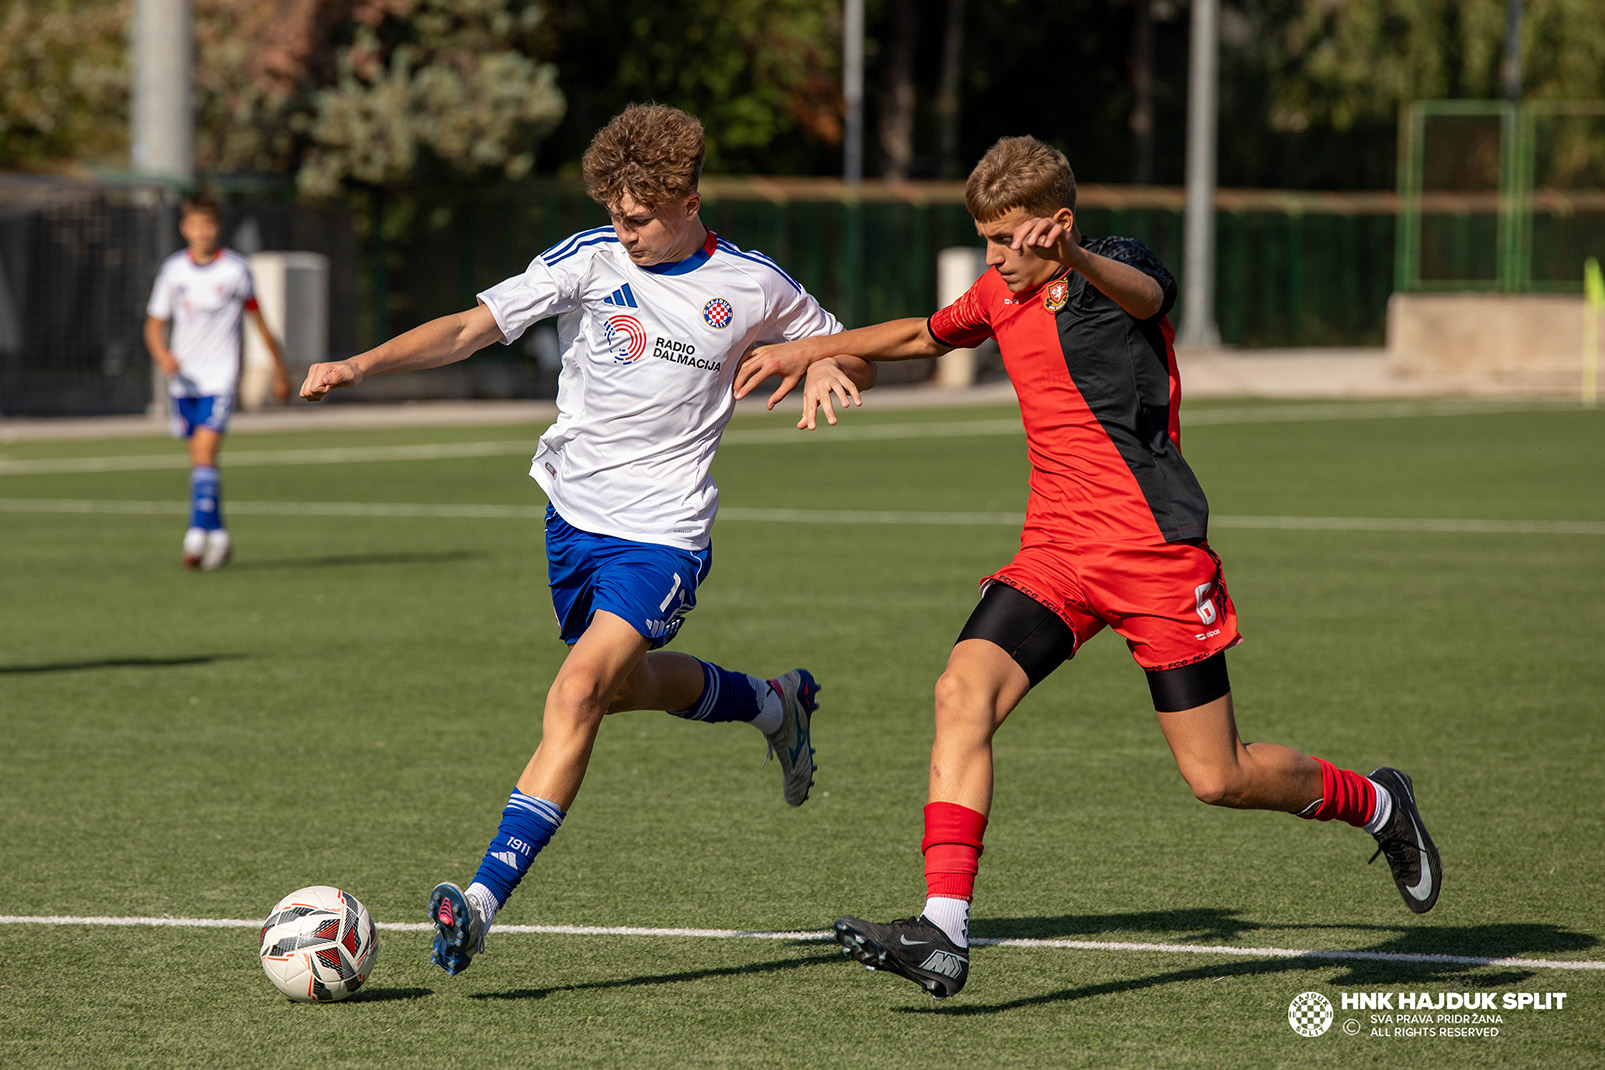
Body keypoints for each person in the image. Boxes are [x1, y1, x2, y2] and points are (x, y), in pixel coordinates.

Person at [735, 135, 1442, 1000]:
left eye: (1008, 240)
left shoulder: (1116, 269)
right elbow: (925, 334)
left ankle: (1376, 803)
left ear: (1057, 225)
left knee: (1215, 776)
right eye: (986, 240)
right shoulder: (1001, 291)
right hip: (1057, 554)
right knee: (961, 692)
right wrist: (808, 351)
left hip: (1153, 553)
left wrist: (1071, 256)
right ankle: (943, 931)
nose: (994, 259)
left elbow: (1147, 294)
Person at [299, 103, 877, 977]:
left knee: (575, 694)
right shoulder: (589, 259)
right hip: (571, 521)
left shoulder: (755, 284)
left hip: (664, 533)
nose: (625, 230)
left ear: (685, 199)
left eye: (639, 216)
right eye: (614, 212)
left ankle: (480, 900)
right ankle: (773, 703)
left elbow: (851, 347)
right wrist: (360, 365)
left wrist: (827, 360)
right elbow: (467, 329)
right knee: (620, 686)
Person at [144, 192, 291, 570]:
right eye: (194, 225)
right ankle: (221, 538)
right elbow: (154, 326)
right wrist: (162, 355)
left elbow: (259, 321)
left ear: (217, 228)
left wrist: (280, 369)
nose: (202, 232)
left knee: (206, 454)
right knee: (200, 464)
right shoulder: (173, 271)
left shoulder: (236, 271)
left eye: (208, 225)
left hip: (220, 378)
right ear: (184, 229)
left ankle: (195, 539)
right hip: (184, 382)